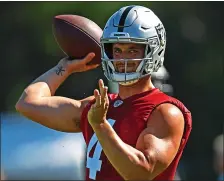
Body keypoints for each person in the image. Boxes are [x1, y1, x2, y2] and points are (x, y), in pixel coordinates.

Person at [15, 5, 192, 180]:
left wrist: (100, 125)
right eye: (117, 50)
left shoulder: (165, 111)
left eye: (132, 50)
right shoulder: (98, 106)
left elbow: (140, 172)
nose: (123, 58)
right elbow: (27, 103)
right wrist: (64, 67)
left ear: (153, 50)